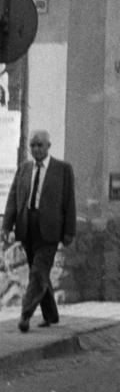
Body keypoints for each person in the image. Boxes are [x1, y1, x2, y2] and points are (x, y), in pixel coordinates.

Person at [2, 130, 76, 334]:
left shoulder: (62, 169)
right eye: (32, 146)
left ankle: (25, 314)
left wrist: (69, 230)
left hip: (50, 231)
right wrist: (7, 226)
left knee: (37, 272)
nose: (35, 149)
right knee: (41, 273)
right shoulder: (24, 169)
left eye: (39, 145)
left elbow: (69, 201)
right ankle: (51, 314)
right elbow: (13, 198)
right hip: (28, 227)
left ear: (48, 146)